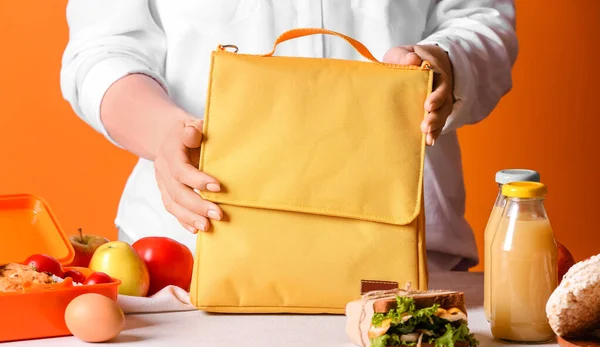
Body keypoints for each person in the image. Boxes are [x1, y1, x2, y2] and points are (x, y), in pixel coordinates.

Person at [60, 0, 518, 272]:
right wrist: (163, 133)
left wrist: (447, 64)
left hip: (407, 252)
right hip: (186, 256)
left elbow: (480, 16)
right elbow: (103, 47)